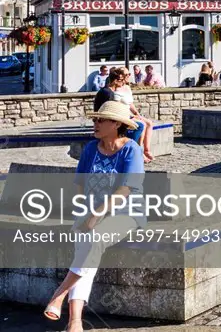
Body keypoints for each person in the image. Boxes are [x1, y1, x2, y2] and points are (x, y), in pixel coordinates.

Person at [43, 100, 145, 331]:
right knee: (86, 245)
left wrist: (96, 215)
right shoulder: (91, 148)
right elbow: (80, 184)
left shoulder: (131, 149)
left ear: (117, 124)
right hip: (91, 212)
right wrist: (83, 213)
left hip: (125, 213)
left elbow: (126, 189)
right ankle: (75, 321)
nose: (95, 123)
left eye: (101, 120)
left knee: (93, 239)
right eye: (94, 119)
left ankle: (59, 295)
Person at [106, 67, 154, 163]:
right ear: (121, 76)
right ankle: (139, 151)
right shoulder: (116, 90)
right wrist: (132, 116)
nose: (129, 76)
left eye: (129, 74)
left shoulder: (127, 88)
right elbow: (117, 106)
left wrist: (136, 113)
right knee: (142, 125)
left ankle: (146, 150)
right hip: (122, 115)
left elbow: (130, 104)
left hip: (129, 113)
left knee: (149, 123)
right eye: (127, 74)